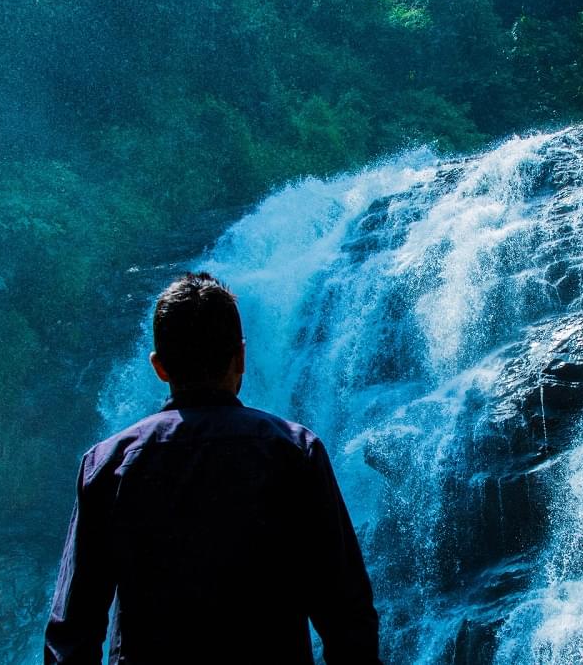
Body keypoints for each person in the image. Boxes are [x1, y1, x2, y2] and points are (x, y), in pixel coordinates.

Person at [45, 272, 380, 664]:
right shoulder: (295, 453)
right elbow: (346, 615)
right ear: (241, 356)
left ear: (159, 367)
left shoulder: (107, 464)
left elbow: (73, 631)